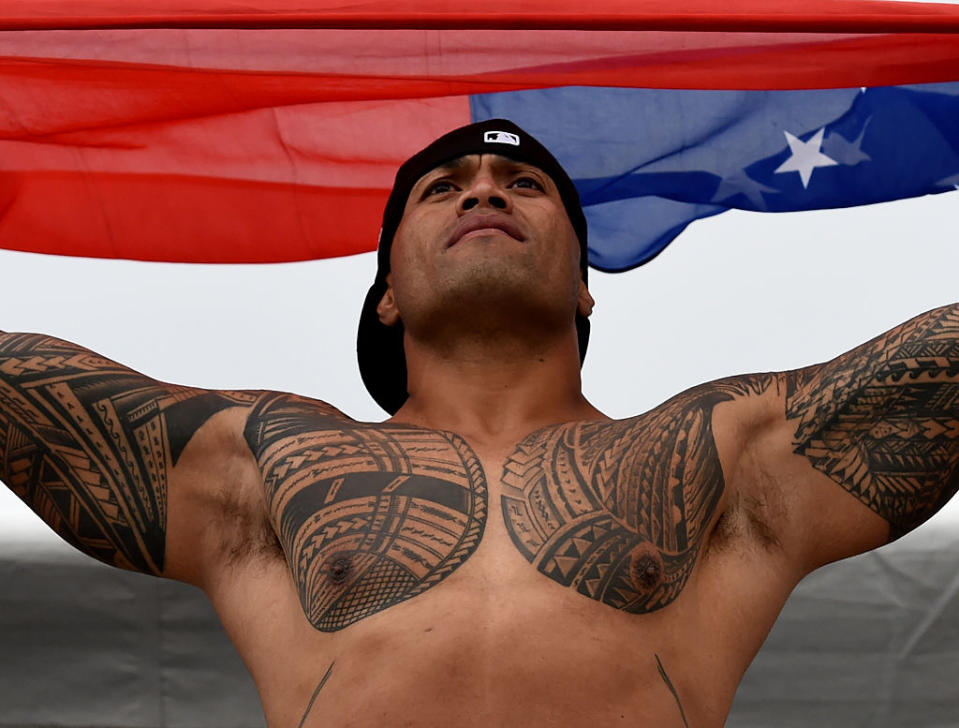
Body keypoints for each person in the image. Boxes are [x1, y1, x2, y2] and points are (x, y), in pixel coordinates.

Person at [0, 118, 957, 728]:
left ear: (586, 288)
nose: (486, 190)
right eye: (442, 187)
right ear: (385, 294)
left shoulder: (719, 455)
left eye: (524, 185)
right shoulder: (260, 461)